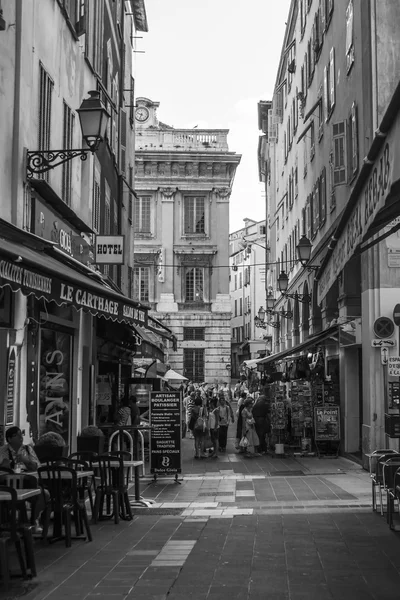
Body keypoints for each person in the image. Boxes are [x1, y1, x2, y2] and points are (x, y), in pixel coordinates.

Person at [0, 427, 46, 533]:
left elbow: (37, 467)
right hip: (8, 486)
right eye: (18, 435)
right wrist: (4, 466)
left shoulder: (27, 449)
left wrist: (26, 461)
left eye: (21, 434)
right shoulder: (2, 451)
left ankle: (33, 520)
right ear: (9, 439)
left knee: (44, 494)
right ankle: (18, 523)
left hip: (27, 483)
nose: (21, 437)